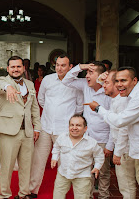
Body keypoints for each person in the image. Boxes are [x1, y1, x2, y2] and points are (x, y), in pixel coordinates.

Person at [85, 67, 139, 199]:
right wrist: (102, 78)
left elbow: (120, 122)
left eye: (123, 80)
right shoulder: (129, 95)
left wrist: (98, 108)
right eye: (117, 81)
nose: (119, 84)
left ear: (134, 80)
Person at [29, 54, 83, 198]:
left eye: (63, 65)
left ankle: (61, 194)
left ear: (70, 67)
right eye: (57, 65)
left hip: (64, 130)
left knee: (63, 162)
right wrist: (50, 112)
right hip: (46, 126)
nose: (59, 68)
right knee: (38, 160)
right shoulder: (47, 79)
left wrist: (66, 118)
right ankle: (32, 190)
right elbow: (41, 99)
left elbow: (79, 107)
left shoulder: (76, 84)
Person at [62, 61, 113, 199]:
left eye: (91, 72)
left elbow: (114, 122)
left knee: (103, 172)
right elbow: (67, 80)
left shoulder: (109, 90)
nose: (87, 75)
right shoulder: (85, 84)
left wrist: (110, 144)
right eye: (87, 72)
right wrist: (81, 67)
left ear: (101, 75)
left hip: (103, 139)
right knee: (86, 172)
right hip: (87, 138)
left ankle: (103, 197)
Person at [0, 56, 42, 199]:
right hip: (9, 131)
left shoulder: (30, 84)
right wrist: (8, 87)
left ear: (24, 68)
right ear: (8, 69)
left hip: (27, 131)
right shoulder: (2, 81)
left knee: (26, 166)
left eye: (18, 66)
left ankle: (23, 194)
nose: (16, 69)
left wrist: (37, 127)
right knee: (7, 167)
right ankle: (4, 195)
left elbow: (34, 108)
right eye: (12, 67)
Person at [96, 70, 136, 199]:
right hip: (122, 147)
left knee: (127, 185)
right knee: (125, 184)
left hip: (125, 149)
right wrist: (102, 78)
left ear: (115, 85)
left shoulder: (122, 101)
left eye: (106, 83)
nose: (103, 85)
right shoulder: (114, 99)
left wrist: (117, 153)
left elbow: (123, 129)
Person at [51, 114, 104, 199]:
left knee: (82, 197)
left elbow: (99, 156)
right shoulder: (62, 137)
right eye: (72, 125)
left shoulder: (91, 143)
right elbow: (56, 147)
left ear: (85, 128)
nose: (74, 128)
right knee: (58, 196)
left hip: (82, 175)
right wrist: (54, 158)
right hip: (63, 173)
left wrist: (97, 167)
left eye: (78, 125)